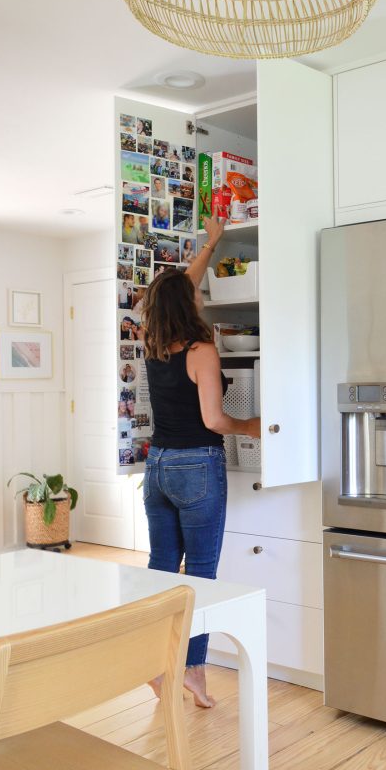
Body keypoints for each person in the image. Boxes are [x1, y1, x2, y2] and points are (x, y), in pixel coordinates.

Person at [141, 215, 261, 708]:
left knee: (162, 569)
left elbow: (175, 289)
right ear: (188, 305)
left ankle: (154, 665)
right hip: (196, 466)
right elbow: (215, 420)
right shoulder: (201, 350)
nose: (200, 295)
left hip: (158, 466)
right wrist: (252, 425)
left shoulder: (152, 340)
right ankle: (192, 670)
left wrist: (211, 245)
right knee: (201, 573)